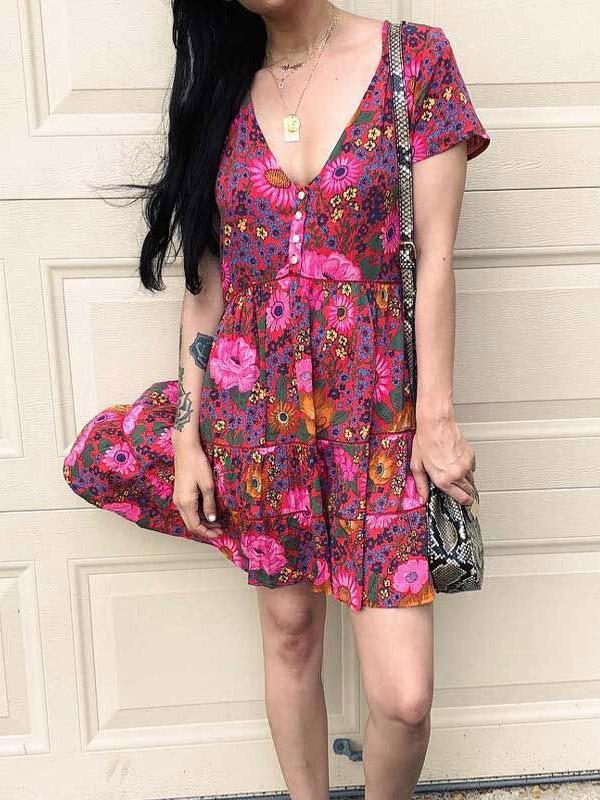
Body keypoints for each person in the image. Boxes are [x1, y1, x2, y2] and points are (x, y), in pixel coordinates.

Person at [73, 1, 490, 796]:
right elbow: (207, 290)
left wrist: (436, 417)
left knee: (403, 697)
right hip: (255, 415)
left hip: (381, 417)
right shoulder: (219, 91)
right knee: (291, 632)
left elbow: (437, 255)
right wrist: (189, 436)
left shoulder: (413, 62)